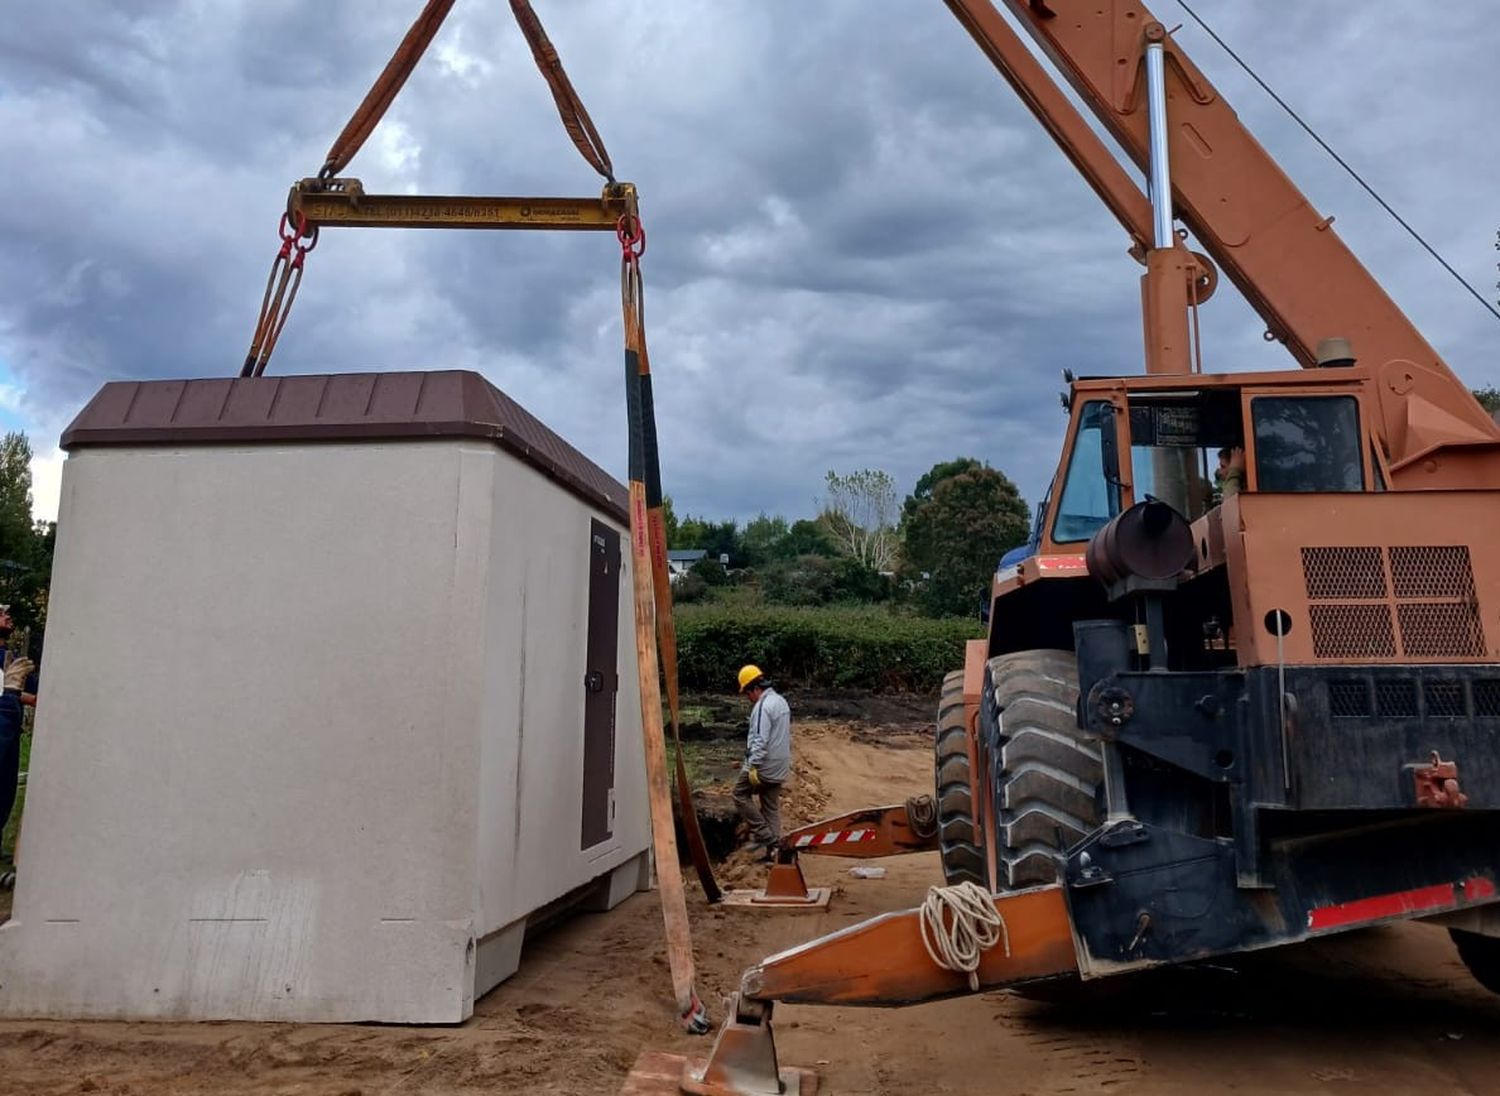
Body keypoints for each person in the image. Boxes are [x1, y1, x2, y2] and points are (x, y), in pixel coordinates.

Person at [732, 664, 792, 861]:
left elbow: (760, 739)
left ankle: (765, 836)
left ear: (755, 689)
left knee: (739, 794)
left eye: (748, 694)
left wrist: (750, 767)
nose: (748, 699)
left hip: (765, 765)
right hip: (781, 765)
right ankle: (775, 853)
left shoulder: (762, 706)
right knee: (770, 806)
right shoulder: (781, 702)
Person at [0, 605, 35, 866]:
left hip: (9, 729)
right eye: (1, 612)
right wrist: (12, 693)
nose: (8, 614)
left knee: (5, 791)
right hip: (4, 724)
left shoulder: (7, 656)